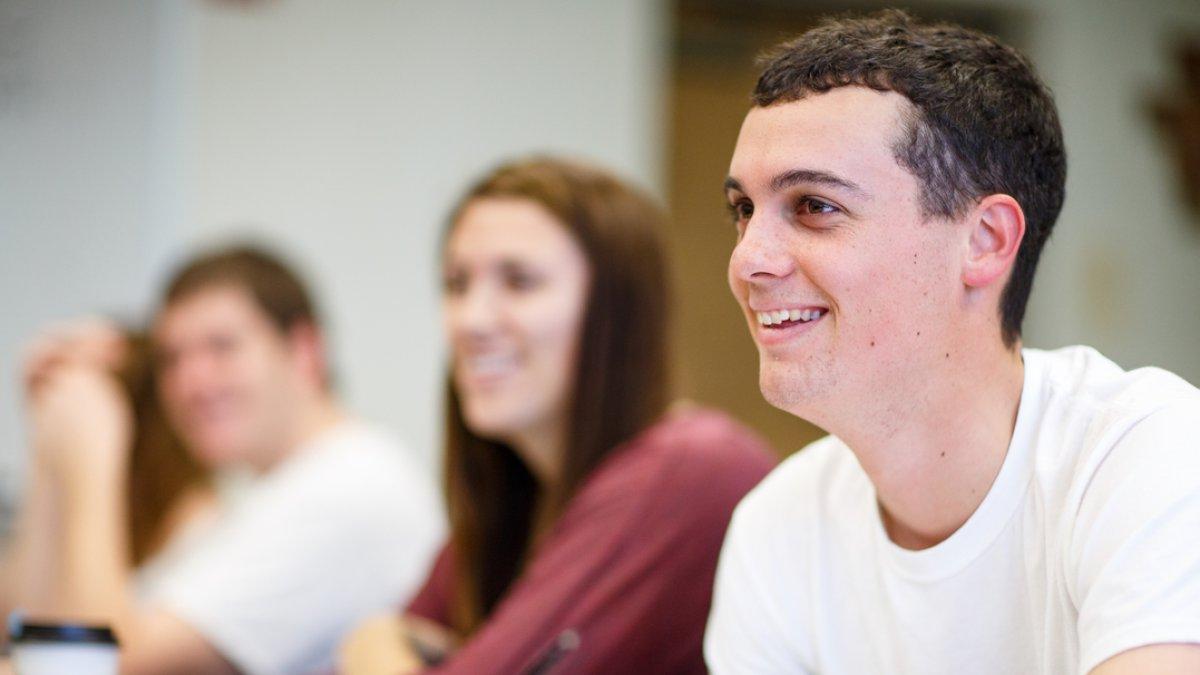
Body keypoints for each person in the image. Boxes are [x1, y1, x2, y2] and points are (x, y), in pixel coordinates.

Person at [704, 9, 1200, 675]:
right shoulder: (777, 526)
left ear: (985, 241)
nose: (748, 261)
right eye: (745, 210)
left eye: (815, 206)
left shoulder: (1147, 456)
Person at [338, 157, 776, 674]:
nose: (471, 320)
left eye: (520, 282)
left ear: (615, 313)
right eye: (456, 283)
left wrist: (371, 641)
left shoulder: (690, 468)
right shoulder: (522, 490)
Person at [10, 247, 445, 675]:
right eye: (171, 359)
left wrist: (91, 453)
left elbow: (104, 664)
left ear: (305, 349)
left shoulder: (349, 487)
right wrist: (50, 446)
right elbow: (27, 630)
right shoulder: (261, 497)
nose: (190, 381)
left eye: (222, 347)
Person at [2, 320, 214, 621]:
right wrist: (45, 447)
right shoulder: (93, 515)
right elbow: (17, 620)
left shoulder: (204, 530)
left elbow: (97, 649)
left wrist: (92, 454)